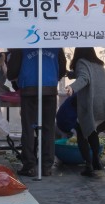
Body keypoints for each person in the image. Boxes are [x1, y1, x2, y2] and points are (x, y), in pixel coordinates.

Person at [6, 47, 66, 177]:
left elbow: (12, 73)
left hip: (29, 89)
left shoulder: (21, 45)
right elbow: (62, 70)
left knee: (28, 128)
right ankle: (46, 167)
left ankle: (30, 166)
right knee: (48, 128)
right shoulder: (55, 44)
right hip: (49, 89)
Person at [67, 47, 105, 177]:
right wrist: (70, 74)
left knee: (82, 133)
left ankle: (88, 165)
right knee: (92, 132)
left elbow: (84, 78)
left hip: (92, 104)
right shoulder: (98, 64)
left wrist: (72, 87)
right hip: (104, 105)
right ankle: (96, 161)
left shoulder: (81, 62)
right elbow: (86, 75)